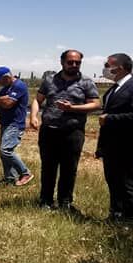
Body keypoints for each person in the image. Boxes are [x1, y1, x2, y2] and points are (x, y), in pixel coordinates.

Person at [29, 50, 100, 211]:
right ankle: (45, 200)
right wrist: (33, 116)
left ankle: (65, 202)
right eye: (70, 62)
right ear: (62, 62)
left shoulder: (86, 82)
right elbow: (37, 100)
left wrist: (73, 108)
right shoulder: (49, 80)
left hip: (73, 132)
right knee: (48, 167)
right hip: (49, 131)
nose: (74, 65)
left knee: (69, 168)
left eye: (77, 62)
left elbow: (96, 104)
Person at [95, 53, 133, 226]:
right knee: (113, 180)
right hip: (111, 144)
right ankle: (116, 214)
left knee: (126, 182)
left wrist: (110, 119)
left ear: (120, 67)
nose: (105, 67)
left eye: (108, 64)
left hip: (126, 144)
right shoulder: (114, 88)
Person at [0, 66, 33, 186]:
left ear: (7, 77)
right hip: (5, 123)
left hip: (15, 124)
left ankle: (25, 173)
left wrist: (2, 101)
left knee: (6, 150)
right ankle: (10, 179)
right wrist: (1, 99)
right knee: (3, 153)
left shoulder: (19, 86)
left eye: (0, 80)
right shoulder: (5, 89)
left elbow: (9, 104)